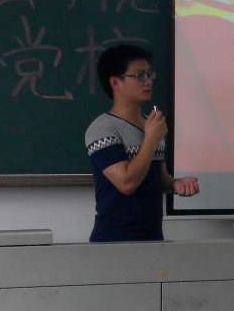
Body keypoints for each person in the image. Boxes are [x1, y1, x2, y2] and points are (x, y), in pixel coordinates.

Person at [84, 45, 200, 242]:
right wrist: (151, 139)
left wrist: (174, 183)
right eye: (140, 76)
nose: (148, 81)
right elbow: (127, 183)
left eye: (149, 75)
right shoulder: (102, 129)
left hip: (152, 237)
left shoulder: (151, 125)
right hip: (114, 239)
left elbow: (157, 176)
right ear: (115, 82)